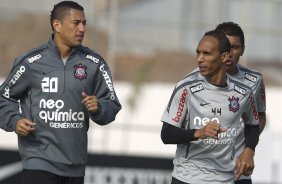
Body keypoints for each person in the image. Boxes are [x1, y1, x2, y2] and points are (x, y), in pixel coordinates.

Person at [0, 1, 121, 184]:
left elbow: (111, 103)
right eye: (76, 23)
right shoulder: (31, 61)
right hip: (38, 160)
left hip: (75, 165)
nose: (82, 28)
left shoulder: (94, 63)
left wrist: (99, 107)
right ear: (57, 25)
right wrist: (15, 120)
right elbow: (4, 97)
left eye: (84, 23)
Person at [160, 30, 260, 184]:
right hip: (187, 177)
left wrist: (249, 151)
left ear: (225, 57)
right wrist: (198, 132)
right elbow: (167, 134)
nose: (200, 59)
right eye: (198, 53)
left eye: (206, 54)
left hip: (226, 179)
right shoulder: (186, 88)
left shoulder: (244, 93)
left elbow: (253, 125)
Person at [215, 22, 266, 184]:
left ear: (243, 49)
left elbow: (260, 115)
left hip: (237, 170)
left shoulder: (254, 80)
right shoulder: (194, 80)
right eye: (225, 46)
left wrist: (248, 149)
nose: (229, 53)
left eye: (235, 47)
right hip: (203, 170)